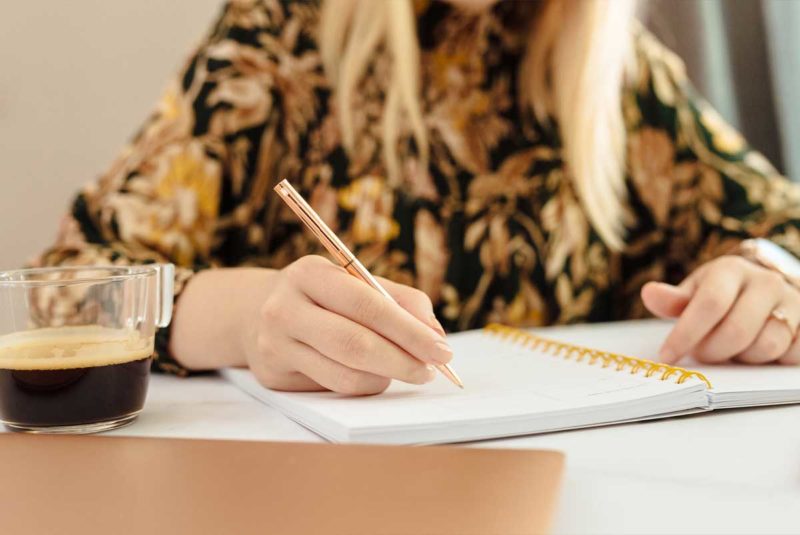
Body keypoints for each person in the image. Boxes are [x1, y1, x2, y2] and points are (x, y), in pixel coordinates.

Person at [35, 0, 800, 395]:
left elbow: (783, 224)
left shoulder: (620, 76)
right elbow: (69, 287)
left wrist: (766, 275)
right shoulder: (280, 40)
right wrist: (243, 319)